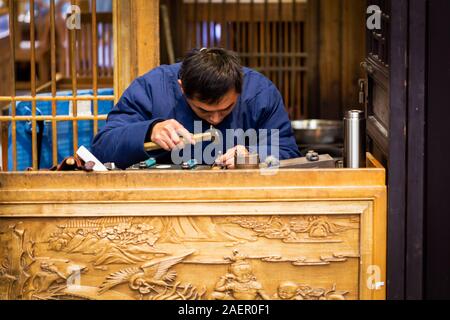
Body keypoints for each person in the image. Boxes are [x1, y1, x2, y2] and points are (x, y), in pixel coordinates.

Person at [91, 48, 300, 169]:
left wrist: (253, 155)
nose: (216, 119)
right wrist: (149, 130)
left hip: (240, 203)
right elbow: (102, 149)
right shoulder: (153, 88)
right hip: (164, 203)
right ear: (182, 88)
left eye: (226, 109)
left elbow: (287, 152)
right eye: (205, 111)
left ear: (240, 88)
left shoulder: (259, 92)